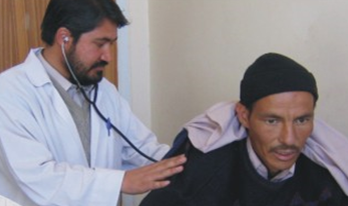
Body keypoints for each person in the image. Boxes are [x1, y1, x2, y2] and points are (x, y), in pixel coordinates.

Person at [0, 0, 186, 205]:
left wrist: (194, 155)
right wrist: (121, 181)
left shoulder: (104, 90)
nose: (108, 56)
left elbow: (142, 149)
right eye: (100, 44)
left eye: (112, 44)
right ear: (64, 38)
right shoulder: (10, 92)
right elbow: (37, 176)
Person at [140, 53, 348, 206]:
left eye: (301, 120)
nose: (289, 138)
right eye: (272, 121)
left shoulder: (325, 176)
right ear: (244, 116)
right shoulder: (203, 172)